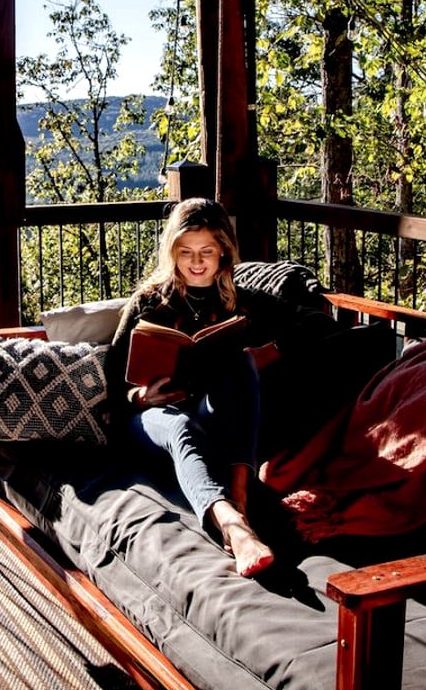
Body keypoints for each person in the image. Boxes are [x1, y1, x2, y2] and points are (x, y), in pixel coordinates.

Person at [106, 197, 331, 577]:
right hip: (152, 419)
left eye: (206, 251)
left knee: (240, 363)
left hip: (210, 414)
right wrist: (140, 396)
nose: (196, 262)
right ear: (172, 252)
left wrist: (268, 351)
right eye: (186, 252)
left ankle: (238, 495)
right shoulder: (149, 301)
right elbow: (111, 377)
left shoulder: (240, 301)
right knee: (180, 425)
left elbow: (317, 321)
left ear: (224, 251)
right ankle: (233, 526)